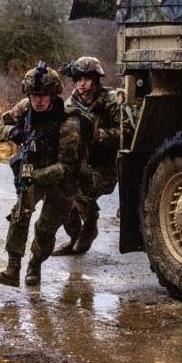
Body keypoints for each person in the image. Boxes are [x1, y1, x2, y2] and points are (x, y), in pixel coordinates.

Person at [0, 64, 90, 287]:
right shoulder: (25, 108)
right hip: (34, 170)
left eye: (43, 95)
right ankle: (13, 268)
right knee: (19, 214)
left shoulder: (69, 122)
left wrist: (34, 176)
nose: (38, 100)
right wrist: (13, 132)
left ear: (54, 94)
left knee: (45, 229)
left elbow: (65, 168)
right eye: (34, 95)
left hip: (63, 180)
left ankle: (34, 265)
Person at [52, 56, 133, 256]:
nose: (82, 84)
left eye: (87, 79)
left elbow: (128, 133)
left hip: (106, 167)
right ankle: (74, 237)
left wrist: (97, 135)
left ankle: (89, 228)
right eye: (78, 79)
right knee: (61, 193)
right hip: (82, 164)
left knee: (81, 192)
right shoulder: (70, 105)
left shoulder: (111, 100)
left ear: (96, 80)